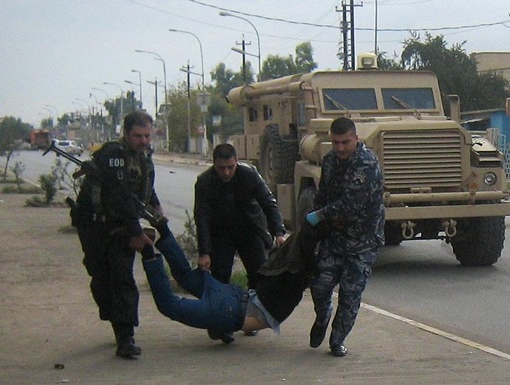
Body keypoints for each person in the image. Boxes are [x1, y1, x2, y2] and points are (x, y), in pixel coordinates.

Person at [73, 110, 164, 359]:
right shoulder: (113, 154)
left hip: (122, 227)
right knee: (100, 276)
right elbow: (120, 195)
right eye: (138, 136)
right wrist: (137, 231)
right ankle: (112, 314)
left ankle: (125, 338)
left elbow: (142, 188)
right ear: (126, 134)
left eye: (147, 135)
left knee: (122, 279)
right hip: (96, 227)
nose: (144, 141)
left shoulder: (143, 158)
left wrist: (156, 209)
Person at [139, 219, 320, 341]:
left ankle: (163, 227)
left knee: (185, 277)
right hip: (229, 311)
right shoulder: (296, 277)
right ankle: (148, 252)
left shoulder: (282, 262)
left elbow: (306, 229)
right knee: (169, 305)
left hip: (234, 294)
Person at [305, 117, 385, 357]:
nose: (340, 148)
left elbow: (350, 204)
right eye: (335, 142)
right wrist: (316, 224)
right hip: (335, 239)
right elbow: (324, 194)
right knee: (319, 286)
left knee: (350, 295)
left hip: (363, 242)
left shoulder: (367, 163)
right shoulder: (329, 161)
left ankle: (337, 340)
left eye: (345, 142)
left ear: (356, 139)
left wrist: (318, 216)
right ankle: (322, 317)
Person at [194, 143, 287, 340]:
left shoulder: (249, 174)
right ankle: (222, 322)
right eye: (221, 168)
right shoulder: (204, 182)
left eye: (230, 167)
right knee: (220, 277)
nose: (226, 173)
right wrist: (204, 252)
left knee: (258, 275)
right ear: (214, 164)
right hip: (221, 233)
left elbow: (269, 204)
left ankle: (250, 319)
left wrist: (278, 232)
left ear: (237, 162)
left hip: (249, 229)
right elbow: (201, 218)